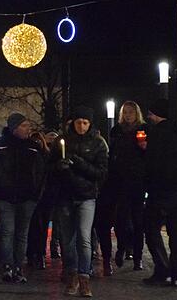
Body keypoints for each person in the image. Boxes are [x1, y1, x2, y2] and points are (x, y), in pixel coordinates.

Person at [55, 106, 108, 297]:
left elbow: (101, 172)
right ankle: (72, 276)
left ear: (90, 123)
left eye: (85, 123)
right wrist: (59, 168)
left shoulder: (98, 143)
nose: (82, 126)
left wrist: (80, 164)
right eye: (78, 122)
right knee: (67, 240)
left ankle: (84, 276)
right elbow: (51, 168)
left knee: (84, 239)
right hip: (66, 196)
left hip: (86, 196)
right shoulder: (63, 141)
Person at [0, 113, 46, 283]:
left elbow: (41, 172)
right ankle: (8, 265)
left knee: (22, 233)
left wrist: (37, 194)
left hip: (27, 196)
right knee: (8, 232)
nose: (28, 129)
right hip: (5, 196)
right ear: (14, 128)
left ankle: (18, 266)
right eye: (24, 125)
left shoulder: (34, 147)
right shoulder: (0, 147)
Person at [140, 98, 177, 287]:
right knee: (175, 232)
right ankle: (176, 272)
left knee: (151, 230)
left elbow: (153, 164)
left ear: (155, 114)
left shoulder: (157, 134)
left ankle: (163, 269)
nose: (148, 117)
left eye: (150, 114)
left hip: (160, 191)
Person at [106, 101, 147, 271]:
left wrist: (144, 147)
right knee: (121, 219)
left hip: (137, 181)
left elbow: (147, 155)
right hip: (120, 180)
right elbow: (112, 152)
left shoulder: (143, 129)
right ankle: (122, 247)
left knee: (138, 221)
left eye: (131, 112)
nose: (128, 115)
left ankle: (137, 256)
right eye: (126, 112)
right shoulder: (117, 131)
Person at [26, 131, 56, 270]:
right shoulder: (28, 156)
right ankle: (32, 253)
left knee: (42, 227)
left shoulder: (47, 156)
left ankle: (40, 253)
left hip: (45, 196)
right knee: (32, 226)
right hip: (31, 195)